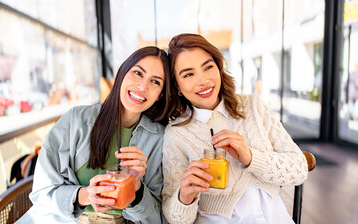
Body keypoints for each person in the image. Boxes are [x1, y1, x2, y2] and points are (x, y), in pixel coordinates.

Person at [162, 33, 308, 224]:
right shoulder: (177, 134)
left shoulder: (253, 106)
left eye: (208, 67)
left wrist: (251, 157)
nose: (203, 80)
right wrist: (184, 197)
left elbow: (300, 169)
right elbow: (176, 218)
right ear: (177, 85)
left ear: (219, 68)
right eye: (188, 74)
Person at [17, 46, 170, 224]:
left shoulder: (159, 139)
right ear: (122, 74)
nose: (143, 86)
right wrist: (86, 195)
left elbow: (156, 218)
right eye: (137, 73)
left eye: (156, 82)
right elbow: (42, 194)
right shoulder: (74, 121)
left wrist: (136, 187)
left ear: (160, 95)